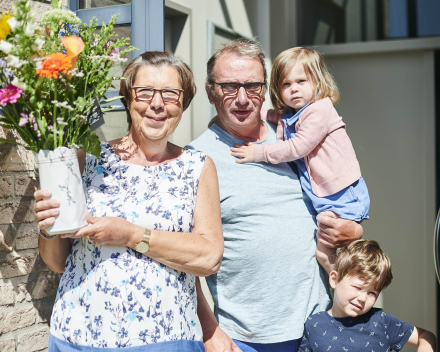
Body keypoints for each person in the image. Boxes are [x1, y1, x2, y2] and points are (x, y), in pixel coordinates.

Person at [34, 51, 223, 351]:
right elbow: (57, 262)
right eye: (145, 91)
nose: (157, 104)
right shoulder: (88, 160)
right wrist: (47, 228)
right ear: (128, 98)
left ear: (183, 103)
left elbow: (208, 257)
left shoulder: (197, 167)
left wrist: (133, 235)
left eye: (171, 94)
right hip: (78, 335)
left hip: (167, 338)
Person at [187, 38, 363, 352]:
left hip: (323, 325)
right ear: (211, 91)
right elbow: (182, 262)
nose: (242, 98)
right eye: (229, 86)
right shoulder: (195, 160)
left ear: (266, 88)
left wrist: (354, 229)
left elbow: (335, 196)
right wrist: (210, 331)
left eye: (252, 86)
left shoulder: (294, 136)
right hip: (248, 338)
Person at [229, 47, 370, 274]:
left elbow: (299, 146)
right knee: (327, 247)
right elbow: (276, 117)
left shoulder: (319, 110)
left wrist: (258, 153)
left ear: (317, 81)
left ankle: (349, 277)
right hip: (325, 192)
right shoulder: (294, 112)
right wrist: (250, 113)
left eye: (301, 81)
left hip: (340, 192)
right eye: (286, 84)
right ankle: (342, 275)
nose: (294, 89)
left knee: (330, 244)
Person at [298, 239, 436, 352]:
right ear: (334, 279)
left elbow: (425, 336)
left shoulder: (382, 321)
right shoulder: (313, 325)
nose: (363, 298)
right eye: (357, 287)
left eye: (372, 293)